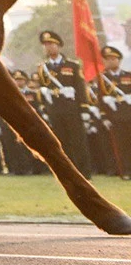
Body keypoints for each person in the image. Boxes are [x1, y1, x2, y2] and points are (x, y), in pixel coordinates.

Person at [34, 29, 94, 176]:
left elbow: (81, 88)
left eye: (51, 44)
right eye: (46, 45)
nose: (48, 47)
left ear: (58, 46)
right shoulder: (42, 68)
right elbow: (41, 90)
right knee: (61, 142)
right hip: (54, 109)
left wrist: (84, 109)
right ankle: (69, 173)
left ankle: (84, 173)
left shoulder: (72, 65)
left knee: (78, 141)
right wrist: (44, 107)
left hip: (72, 109)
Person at [96, 45, 130, 179]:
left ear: (119, 60)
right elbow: (100, 99)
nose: (110, 61)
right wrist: (104, 117)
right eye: (107, 59)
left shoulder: (128, 75)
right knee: (121, 146)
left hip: (129, 114)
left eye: (113, 59)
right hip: (115, 117)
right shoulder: (103, 79)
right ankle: (126, 171)